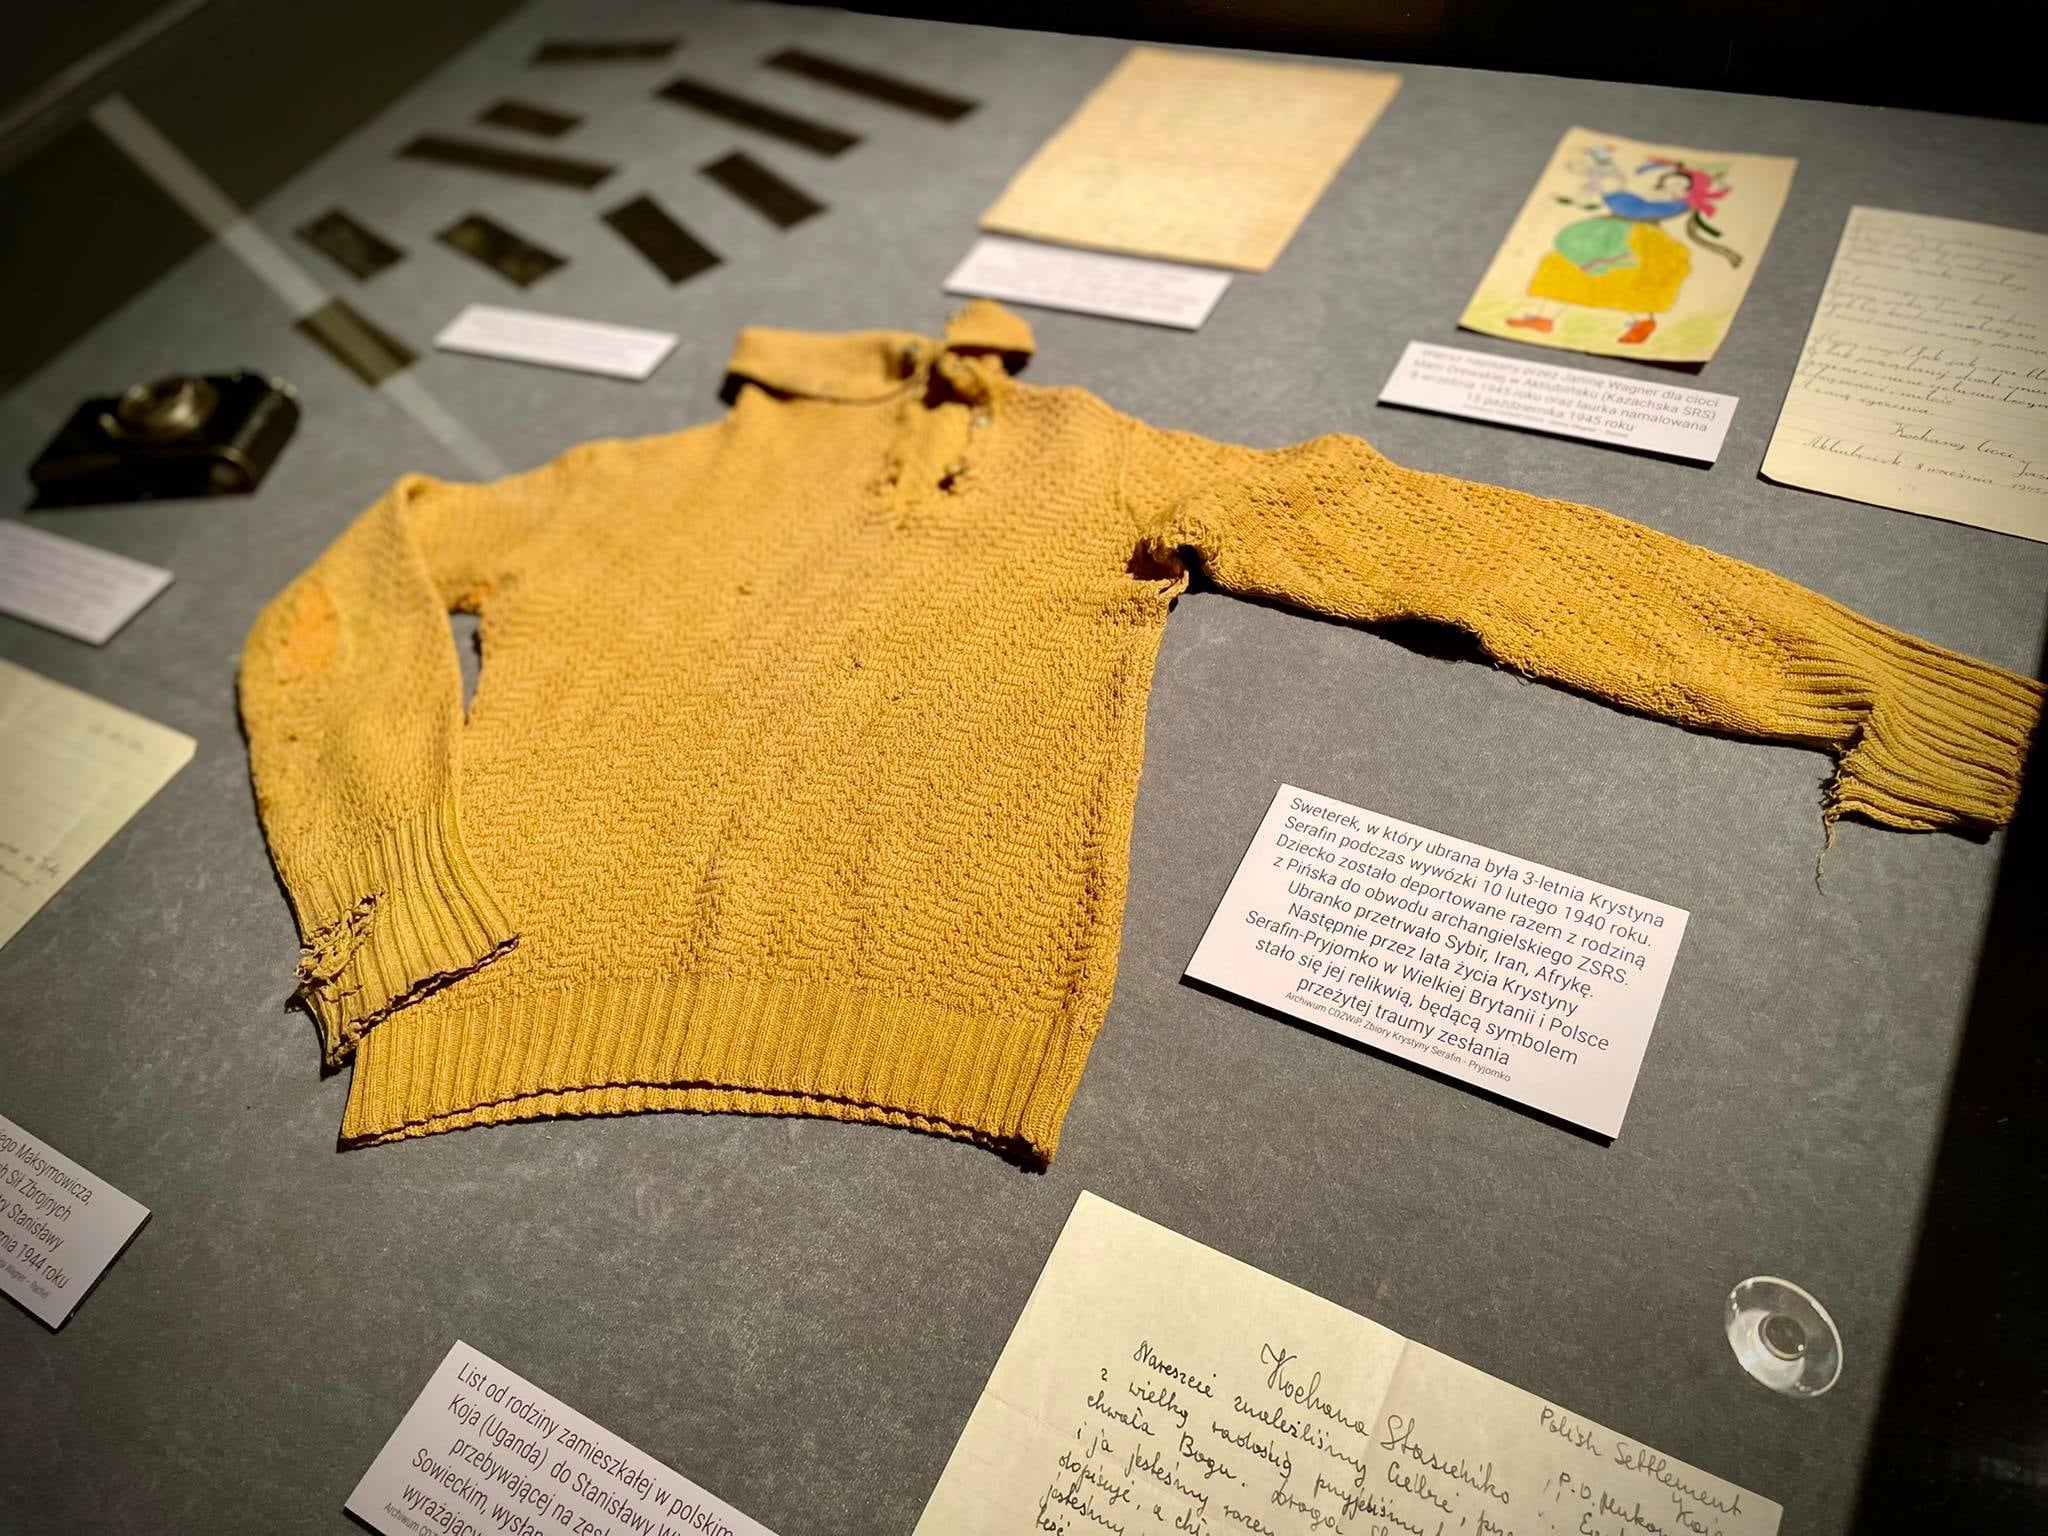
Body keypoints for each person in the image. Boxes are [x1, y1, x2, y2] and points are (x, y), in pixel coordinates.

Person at [1507, 147, 1741, 346]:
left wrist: (1615, 195)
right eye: (1668, 182)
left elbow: (1636, 210)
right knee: (1564, 266)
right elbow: (1625, 203)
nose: (1673, 187)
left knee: (1627, 279)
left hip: (1636, 240)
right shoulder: (1640, 199)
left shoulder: (1672, 206)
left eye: (1680, 185)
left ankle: (1643, 323)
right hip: (1604, 233)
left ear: (1687, 192)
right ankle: (1544, 318)